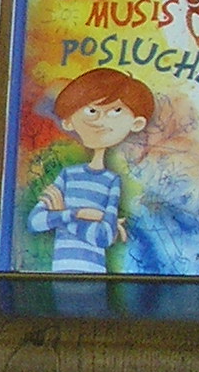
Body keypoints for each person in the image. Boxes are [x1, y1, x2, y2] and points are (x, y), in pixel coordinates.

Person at [26, 66, 153, 274]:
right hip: (59, 270)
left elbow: (103, 237)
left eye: (116, 111)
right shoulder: (68, 175)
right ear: (68, 122)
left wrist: (62, 216)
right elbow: (35, 222)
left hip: (94, 271)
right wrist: (82, 214)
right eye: (91, 111)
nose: (100, 121)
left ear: (136, 123)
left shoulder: (111, 181)